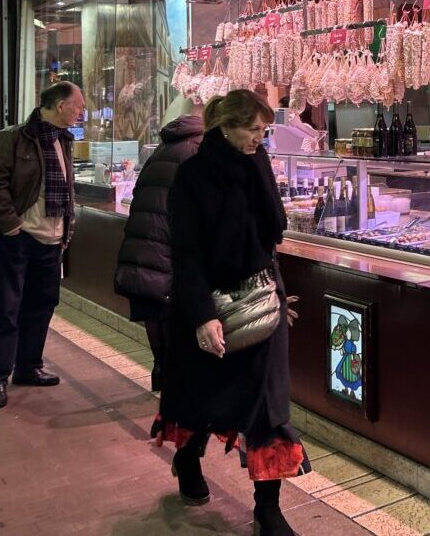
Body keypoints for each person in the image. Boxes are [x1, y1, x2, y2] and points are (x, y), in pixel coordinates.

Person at [152, 90, 308, 535]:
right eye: (251, 129)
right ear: (225, 127)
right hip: (210, 305)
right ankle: (187, 458)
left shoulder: (258, 166)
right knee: (206, 398)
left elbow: (267, 238)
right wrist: (203, 316)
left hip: (259, 301)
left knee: (267, 406)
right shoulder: (193, 177)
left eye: (263, 129)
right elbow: (186, 254)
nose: (260, 138)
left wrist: (275, 293)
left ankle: (267, 508)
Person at [0, 81, 84, 409]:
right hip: (17, 239)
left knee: (41, 306)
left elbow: (64, 187)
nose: (82, 111)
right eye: (78, 105)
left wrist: (67, 225)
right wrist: (11, 226)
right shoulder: (12, 138)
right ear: (59, 105)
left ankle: (28, 367)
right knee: (5, 310)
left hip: (52, 241)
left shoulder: (64, 141)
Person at [113, 110, 205, 391]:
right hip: (166, 242)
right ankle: (174, 379)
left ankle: (161, 369)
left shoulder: (164, 148)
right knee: (170, 311)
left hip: (145, 240)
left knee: (153, 308)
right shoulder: (198, 151)